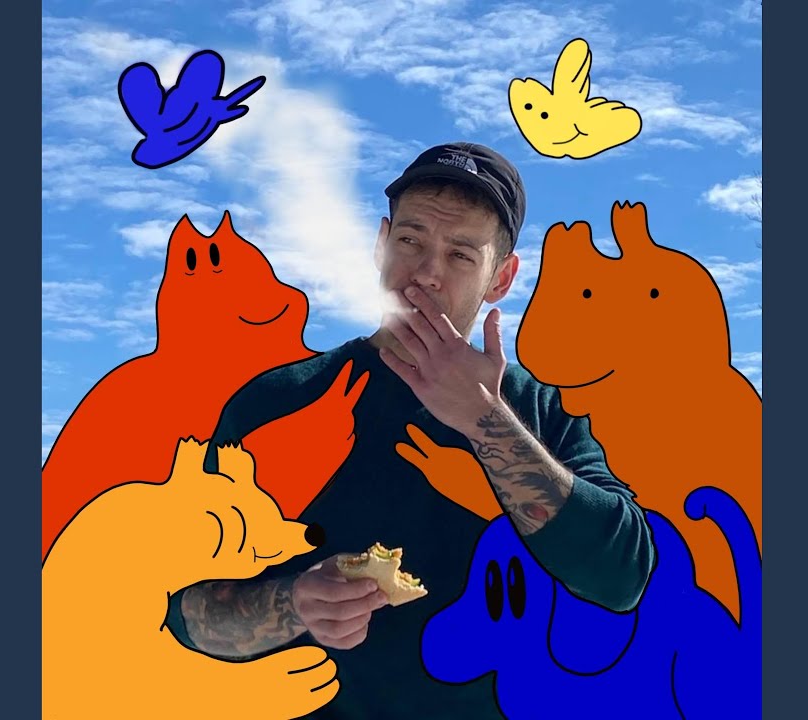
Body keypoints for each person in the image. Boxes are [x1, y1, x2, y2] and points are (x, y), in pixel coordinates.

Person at [162, 142, 655, 718]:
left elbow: (621, 579)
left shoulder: (543, 412)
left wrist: (485, 421)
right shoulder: (277, 403)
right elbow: (182, 613)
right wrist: (293, 602)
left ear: (501, 278)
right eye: (411, 240)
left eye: (461, 254)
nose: (426, 273)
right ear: (381, 244)